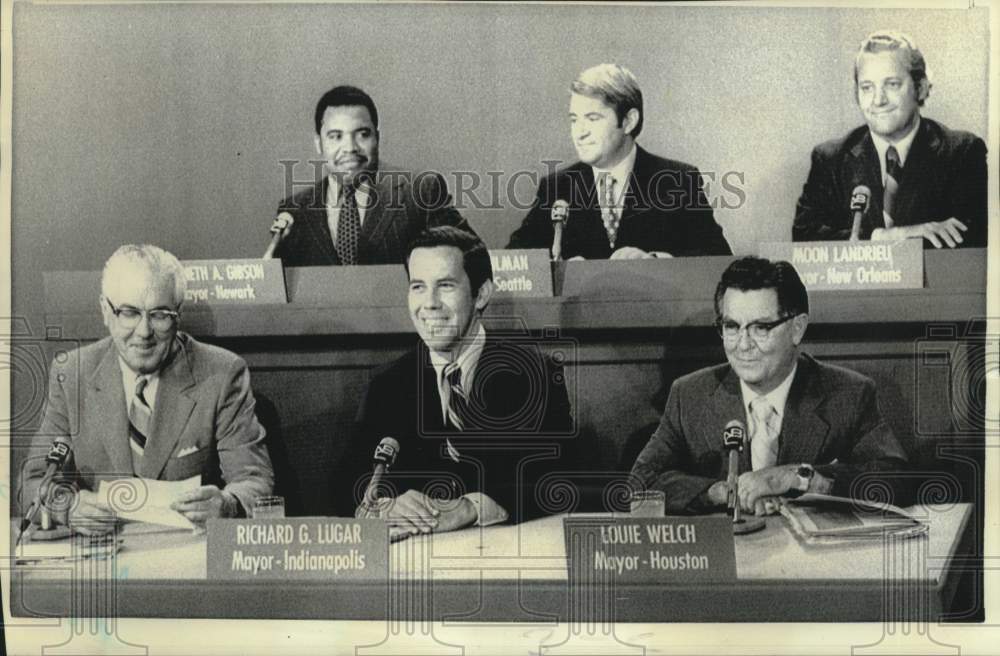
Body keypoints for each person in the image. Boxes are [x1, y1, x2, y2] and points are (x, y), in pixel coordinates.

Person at [21, 245, 274, 533]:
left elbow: (256, 482)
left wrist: (228, 504)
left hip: (187, 556)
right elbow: (34, 482)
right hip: (103, 560)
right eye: (129, 312)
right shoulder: (72, 374)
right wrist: (67, 507)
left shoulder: (222, 373)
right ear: (106, 311)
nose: (143, 332)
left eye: (159, 315)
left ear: (178, 314)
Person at [630, 256, 909, 516]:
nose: (743, 344)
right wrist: (722, 492)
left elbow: (894, 480)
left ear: (797, 328)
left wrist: (796, 478)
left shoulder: (849, 393)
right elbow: (641, 483)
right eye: (731, 327)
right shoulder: (690, 394)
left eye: (760, 328)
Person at [343, 226, 575, 535]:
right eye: (418, 287)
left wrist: (470, 507)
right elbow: (344, 483)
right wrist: (383, 504)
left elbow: (557, 479)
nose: (429, 304)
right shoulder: (389, 385)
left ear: (481, 294)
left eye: (446, 286)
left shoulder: (534, 375)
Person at [506, 63, 731, 259]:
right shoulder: (557, 187)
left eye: (592, 119)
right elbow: (516, 260)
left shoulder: (678, 180)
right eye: (574, 120)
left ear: (629, 121)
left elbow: (716, 256)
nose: (579, 132)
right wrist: (560, 270)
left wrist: (656, 261)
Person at [793, 31, 987, 248]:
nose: (878, 100)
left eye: (892, 84)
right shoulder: (831, 159)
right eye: (867, 88)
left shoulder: (961, 152)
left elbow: (977, 236)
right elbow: (804, 237)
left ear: (920, 88)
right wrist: (885, 236)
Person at [272, 85, 477, 266]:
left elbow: (473, 256)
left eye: (362, 134)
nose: (350, 148)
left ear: (377, 137)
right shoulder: (295, 212)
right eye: (336, 136)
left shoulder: (421, 191)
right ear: (319, 143)